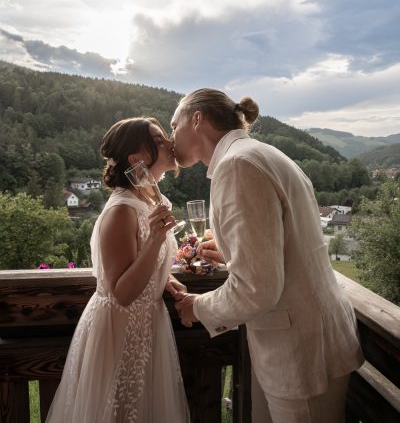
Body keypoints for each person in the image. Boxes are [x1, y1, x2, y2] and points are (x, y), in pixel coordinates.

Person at [172, 89, 364, 423]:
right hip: (315, 341)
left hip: (300, 354)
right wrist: (233, 254)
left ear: (197, 118)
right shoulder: (262, 154)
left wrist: (197, 307)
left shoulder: (236, 167)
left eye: (174, 125)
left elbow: (256, 289)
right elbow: (292, 245)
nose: (171, 137)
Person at [46, 117, 190, 423]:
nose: (169, 143)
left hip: (148, 324)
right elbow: (121, 293)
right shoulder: (121, 210)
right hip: (118, 331)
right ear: (137, 159)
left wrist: (164, 278)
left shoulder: (153, 199)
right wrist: (155, 240)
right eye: (159, 139)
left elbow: (138, 261)